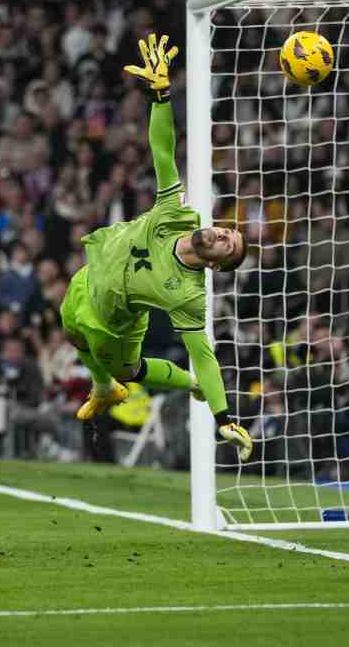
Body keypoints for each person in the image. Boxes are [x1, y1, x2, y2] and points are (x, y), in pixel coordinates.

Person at [59, 34, 253, 460]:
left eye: (228, 245)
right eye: (226, 231)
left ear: (217, 267)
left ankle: (181, 387)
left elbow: (204, 354)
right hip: (91, 275)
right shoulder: (177, 215)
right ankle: (103, 387)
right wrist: (161, 95)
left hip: (116, 322)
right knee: (70, 328)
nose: (221, 234)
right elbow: (162, 151)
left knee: (126, 369)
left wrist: (224, 420)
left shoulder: (189, 295)